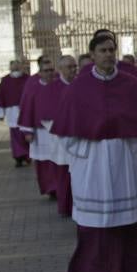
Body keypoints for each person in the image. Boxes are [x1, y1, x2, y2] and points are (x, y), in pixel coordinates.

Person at [52, 32, 137, 272]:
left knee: (126, 223)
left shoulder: (130, 84)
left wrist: (129, 142)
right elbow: (66, 134)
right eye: (103, 50)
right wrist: (92, 149)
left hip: (124, 164)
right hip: (94, 166)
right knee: (97, 228)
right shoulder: (79, 88)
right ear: (93, 55)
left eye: (112, 49)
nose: (108, 54)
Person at [18, 56, 65, 198]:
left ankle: (59, 187)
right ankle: (50, 188)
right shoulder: (33, 88)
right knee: (43, 163)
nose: (50, 73)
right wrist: (27, 131)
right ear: (40, 72)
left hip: (58, 131)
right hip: (40, 133)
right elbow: (26, 110)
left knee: (59, 160)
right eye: (46, 71)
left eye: (52, 70)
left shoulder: (61, 86)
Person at [51, 55, 78, 217]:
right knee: (63, 175)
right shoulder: (53, 88)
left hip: (78, 138)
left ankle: (77, 204)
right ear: (60, 69)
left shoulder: (80, 85)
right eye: (69, 67)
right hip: (60, 140)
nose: (73, 69)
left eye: (74, 66)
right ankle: (64, 207)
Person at [0, 60, 30, 167]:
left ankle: (27, 156)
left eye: (18, 66)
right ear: (10, 67)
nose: (16, 68)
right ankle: (18, 157)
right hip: (12, 113)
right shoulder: (5, 80)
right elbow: (0, 96)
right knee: (15, 136)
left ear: (21, 67)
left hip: (25, 112)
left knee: (26, 135)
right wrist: (0, 114)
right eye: (14, 66)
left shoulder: (27, 79)